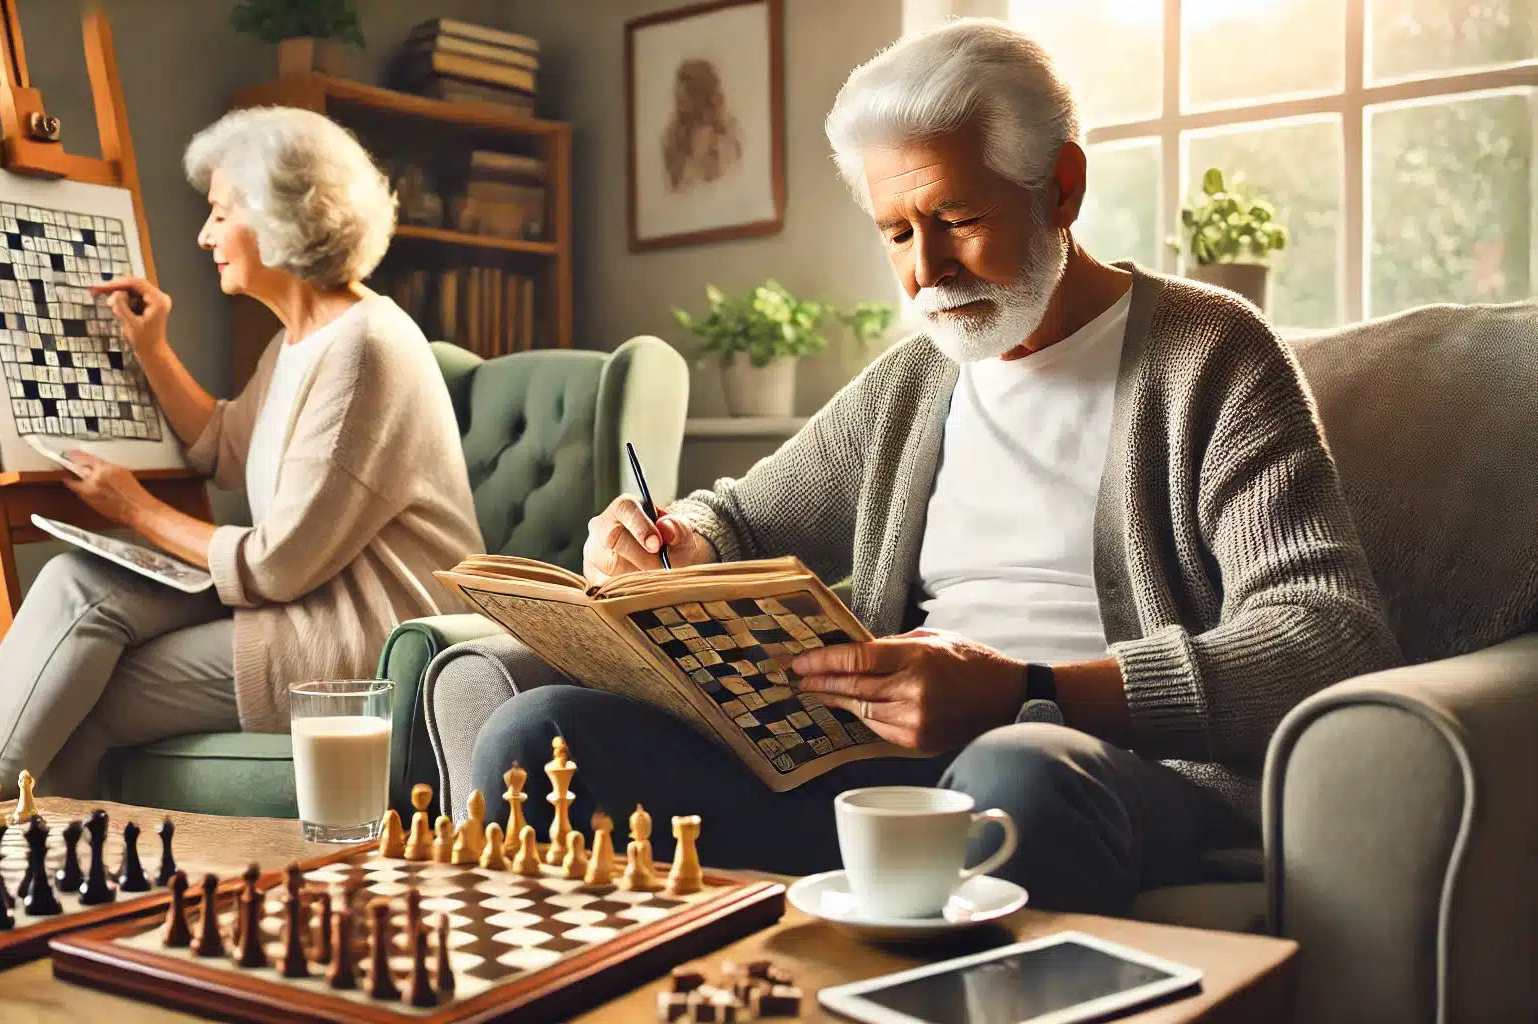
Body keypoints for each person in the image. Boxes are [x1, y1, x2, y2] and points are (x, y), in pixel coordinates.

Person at [471, 20, 1400, 915]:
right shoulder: (915, 382)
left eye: (956, 218)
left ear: (1061, 188)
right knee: (537, 737)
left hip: (1093, 771)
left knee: (1010, 773)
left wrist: (1029, 691)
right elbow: (740, 518)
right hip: (877, 772)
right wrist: (664, 539)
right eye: (895, 233)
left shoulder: (1212, 355)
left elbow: (1326, 635)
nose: (926, 271)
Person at [0, 107, 483, 805]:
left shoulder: (365, 351)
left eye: (221, 213)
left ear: (279, 216)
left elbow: (276, 565)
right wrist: (151, 349)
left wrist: (133, 508)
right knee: (76, 582)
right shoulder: (299, 341)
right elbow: (223, 447)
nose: (204, 234)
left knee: (79, 691)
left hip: (357, 638)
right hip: (296, 608)